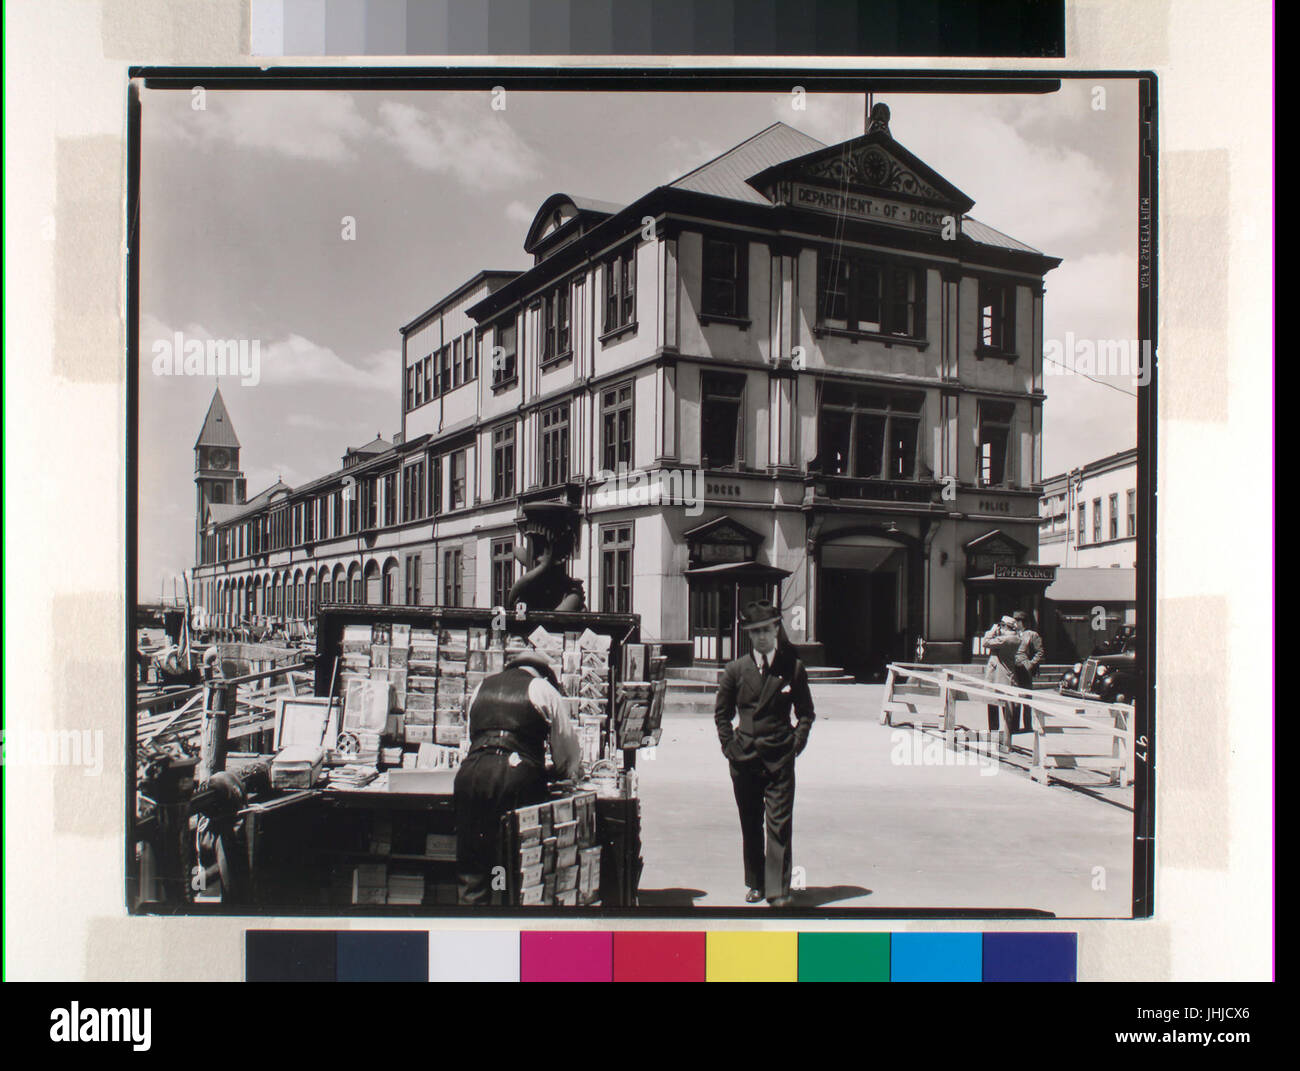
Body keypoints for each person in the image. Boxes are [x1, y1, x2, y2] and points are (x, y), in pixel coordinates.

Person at [453, 652, 582, 905]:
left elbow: (472, 736)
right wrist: (560, 772)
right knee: (517, 865)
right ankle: (511, 926)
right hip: (515, 777)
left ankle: (472, 925)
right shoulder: (543, 689)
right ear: (544, 673)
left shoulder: (483, 686)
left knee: (474, 866)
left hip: (471, 773)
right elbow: (567, 754)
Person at [714, 600, 815, 907]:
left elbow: (806, 713)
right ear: (748, 634)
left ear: (776, 629)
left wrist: (794, 744)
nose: (761, 637)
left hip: (779, 759)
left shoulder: (792, 668)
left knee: (779, 824)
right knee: (750, 822)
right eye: (755, 631)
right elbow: (722, 714)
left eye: (766, 630)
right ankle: (756, 883)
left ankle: (777, 890)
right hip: (744, 759)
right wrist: (729, 747)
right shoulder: (735, 670)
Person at [983, 616, 1021, 746]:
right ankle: (1007, 738)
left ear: (1005, 626)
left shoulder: (1004, 639)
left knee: (993, 705)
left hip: (997, 677)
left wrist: (992, 630)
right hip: (1006, 677)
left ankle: (995, 735)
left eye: (1001, 625)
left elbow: (986, 642)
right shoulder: (1016, 638)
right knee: (1007, 709)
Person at [1012, 610, 1044, 732]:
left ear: (1022, 621)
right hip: (1013, 668)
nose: (1015, 623)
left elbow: (1039, 652)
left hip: (1025, 669)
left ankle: (1027, 725)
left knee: (1026, 697)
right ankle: (1014, 726)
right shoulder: (1013, 633)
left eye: (1017, 620)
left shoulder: (1032, 635)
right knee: (1014, 697)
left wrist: (1031, 664)